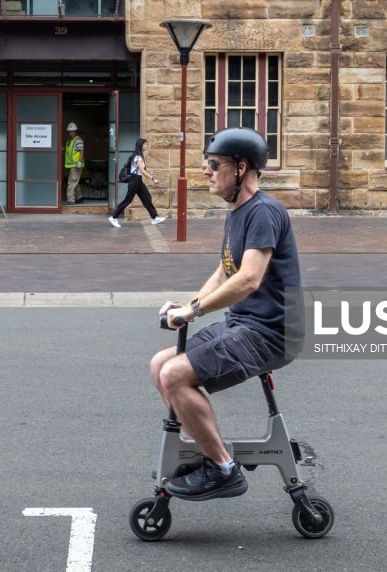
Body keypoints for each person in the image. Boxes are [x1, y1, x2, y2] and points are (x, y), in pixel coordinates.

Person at [150, 127, 305, 501]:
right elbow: (225, 271)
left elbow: (249, 279)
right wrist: (188, 307)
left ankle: (222, 469)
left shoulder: (264, 211)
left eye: (214, 164)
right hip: (243, 324)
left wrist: (193, 310)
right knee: (160, 364)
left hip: (271, 333)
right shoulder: (239, 212)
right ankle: (206, 454)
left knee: (174, 374)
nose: (206, 170)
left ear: (241, 168)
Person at [108, 138, 166, 227]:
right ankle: (113, 217)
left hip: (138, 180)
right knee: (128, 200)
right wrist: (153, 178)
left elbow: (141, 173)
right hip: (134, 180)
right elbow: (142, 170)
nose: (146, 146)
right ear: (141, 145)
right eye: (145, 144)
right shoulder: (137, 156)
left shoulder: (140, 156)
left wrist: (150, 180)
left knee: (146, 197)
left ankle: (154, 217)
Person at [64, 122, 84, 204]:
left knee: (71, 182)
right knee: (75, 181)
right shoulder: (70, 141)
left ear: (75, 131)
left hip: (76, 165)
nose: (70, 133)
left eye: (72, 131)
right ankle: (79, 197)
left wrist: (79, 161)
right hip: (72, 165)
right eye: (69, 131)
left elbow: (81, 151)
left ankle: (70, 200)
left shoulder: (78, 140)